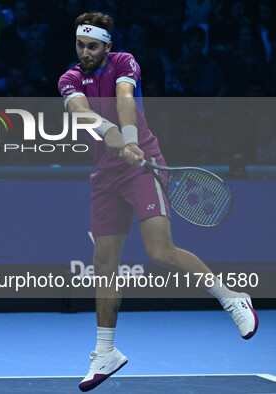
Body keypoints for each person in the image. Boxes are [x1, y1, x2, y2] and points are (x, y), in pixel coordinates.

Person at [57, 12, 259, 392]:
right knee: (104, 266)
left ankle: (232, 298)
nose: (85, 52)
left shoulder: (124, 62)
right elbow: (79, 111)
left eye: (93, 46)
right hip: (105, 177)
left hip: (142, 167)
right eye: (81, 46)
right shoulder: (69, 78)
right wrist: (107, 130)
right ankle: (106, 352)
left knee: (160, 251)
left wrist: (129, 137)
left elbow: (125, 97)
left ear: (107, 47)